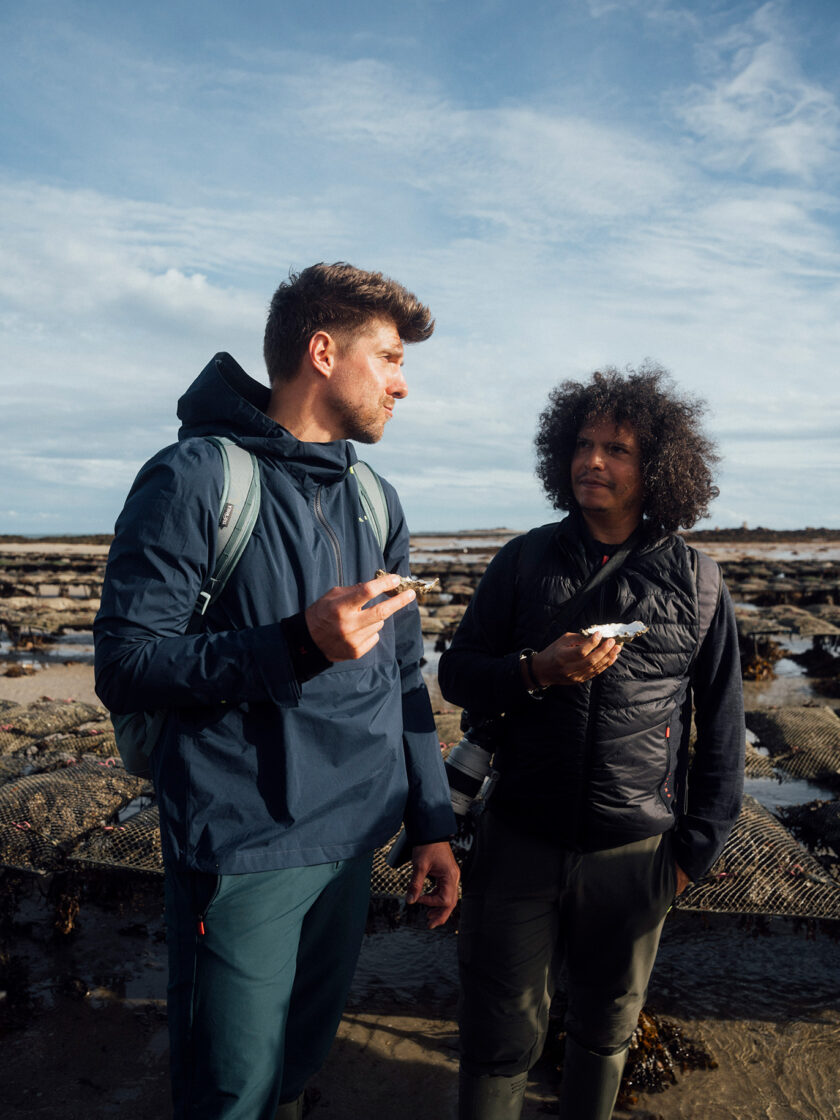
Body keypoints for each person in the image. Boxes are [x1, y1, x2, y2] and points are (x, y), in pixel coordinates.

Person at [94, 262, 459, 1120]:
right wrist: (295, 645)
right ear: (323, 352)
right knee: (230, 1092)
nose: (403, 386)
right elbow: (125, 665)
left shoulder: (377, 500)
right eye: (391, 358)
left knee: (296, 1070)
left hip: (355, 838)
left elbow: (406, 678)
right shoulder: (195, 479)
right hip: (244, 844)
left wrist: (432, 824)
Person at [438, 365, 744, 1120]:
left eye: (617, 448)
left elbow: (723, 729)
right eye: (582, 443)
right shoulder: (522, 560)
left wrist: (692, 854)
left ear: (659, 469)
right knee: (497, 1033)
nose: (593, 461)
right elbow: (458, 675)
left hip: (638, 853)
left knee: (606, 1032)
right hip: (519, 839)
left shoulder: (699, 582)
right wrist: (537, 671)